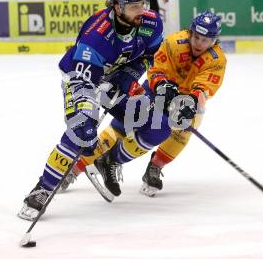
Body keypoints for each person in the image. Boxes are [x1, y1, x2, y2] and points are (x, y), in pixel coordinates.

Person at [18, 0, 166, 221]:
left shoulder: (151, 23)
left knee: (157, 126)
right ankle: (42, 189)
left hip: (116, 81)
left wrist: (128, 76)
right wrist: (86, 114)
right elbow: (83, 81)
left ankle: (108, 160)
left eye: (143, 3)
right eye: (134, 6)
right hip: (82, 79)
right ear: (117, 6)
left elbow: (149, 56)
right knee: (81, 129)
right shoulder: (95, 35)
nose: (142, 10)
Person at [62, 11, 227, 198]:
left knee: (183, 130)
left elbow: (204, 88)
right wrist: (162, 85)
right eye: (196, 37)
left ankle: (155, 168)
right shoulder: (174, 43)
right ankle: (75, 169)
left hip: (186, 100)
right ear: (190, 32)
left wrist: (192, 104)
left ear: (214, 40)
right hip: (157, 89)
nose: (199, 43)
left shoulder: (217, 60)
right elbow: (156, 69)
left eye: (205, 40)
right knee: (123, 127)